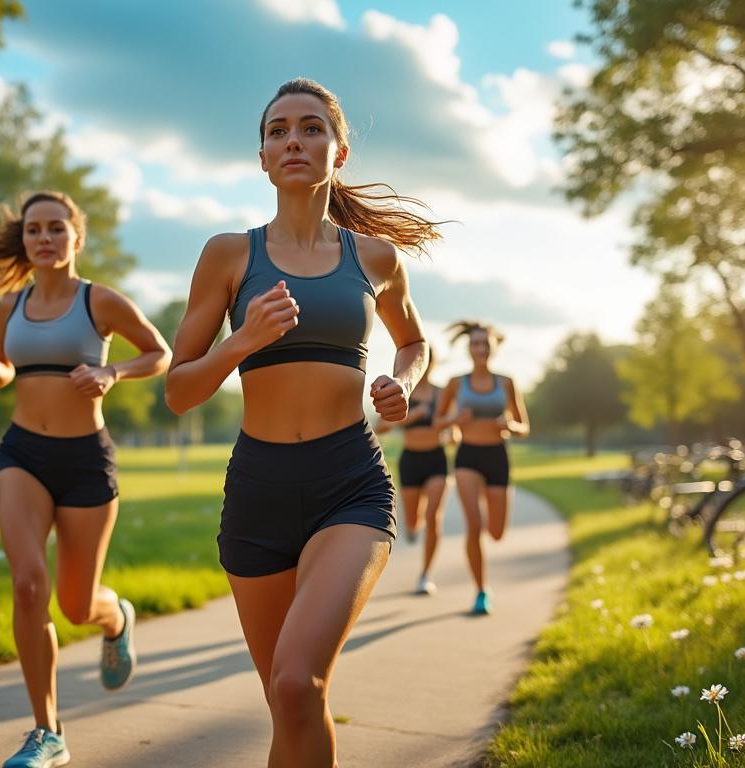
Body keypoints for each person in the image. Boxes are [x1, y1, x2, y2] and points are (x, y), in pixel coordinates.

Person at [165, 77, 440, 767]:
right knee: (289, 703)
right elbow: (178, 391)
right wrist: (242, 341)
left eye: (311, 128)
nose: (294, 140)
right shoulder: (229, 255)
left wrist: (401, 384)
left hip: (349, 484)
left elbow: (414, 341)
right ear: (262, 157)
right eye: (278, 130)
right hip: (257, 488)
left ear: (338, 152)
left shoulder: (374, 257)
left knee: (297, 682)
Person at [0, 190, 172, 768]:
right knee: (29, 585)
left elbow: (159, 353)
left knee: (77, 606)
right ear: (24, 239)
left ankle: (115, 616)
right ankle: (47, 731)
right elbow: (6, 375)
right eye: (34, 230)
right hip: (22, 454)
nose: (45, 238)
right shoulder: (11, 304)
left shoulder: (99, 300)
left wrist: (112, 372)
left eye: (56, 228)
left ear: (76, 237)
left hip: (85, 461)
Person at [436, 321, 530, 615]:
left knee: (497, 532)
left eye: (485, 344)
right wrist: (455, 420)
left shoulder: (507, 382)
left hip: (497, 457)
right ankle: (480, 590)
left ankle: (488, 510)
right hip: (468, 457)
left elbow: (524, 427)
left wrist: (510, 425)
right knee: (474, 526)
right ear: (469, 348)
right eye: (475, 344)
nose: (481, 349)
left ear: (494, 347)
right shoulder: (456, 383)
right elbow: (437, 421)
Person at [375, 355, 449, 595]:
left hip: (436, 459)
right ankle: (413, 526)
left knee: (434, 517)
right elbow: (379, 426)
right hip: (411, 461)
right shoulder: (404, 391)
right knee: (412, 520)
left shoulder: (442, 393)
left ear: (433, 363)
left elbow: (452, 423)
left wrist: (453, 430)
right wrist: (410, 418)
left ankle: (426, 574)